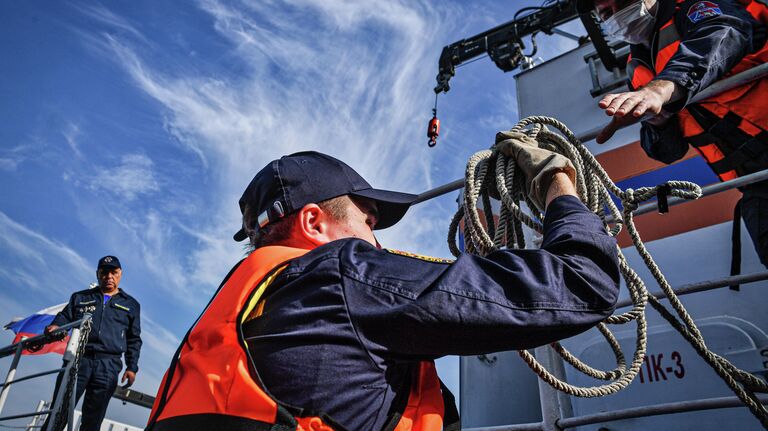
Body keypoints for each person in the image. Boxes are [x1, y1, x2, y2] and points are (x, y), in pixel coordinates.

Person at [146, 149, 620, 431]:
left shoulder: (241, 305)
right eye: (368, 222)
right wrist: (557, 182)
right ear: (314, 222)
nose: (377, 240)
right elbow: (582, 283)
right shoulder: (342, 274)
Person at [593, 0, 768, 265]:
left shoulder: (695, 7)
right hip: (755, 186)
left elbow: (723, 33)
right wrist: (658, 123)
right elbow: (669, 152)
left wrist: (663, 88)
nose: (617, 15)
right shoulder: (637, 67)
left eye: (622, 2)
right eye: (606, 13)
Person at [44, 256, 142, 431]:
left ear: (120, 274)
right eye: (104, 272)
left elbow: (134, 339)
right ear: (98, 274)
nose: (109, 276)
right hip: (78, 360)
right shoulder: (80, 297)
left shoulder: (131, 304)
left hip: (108, 365)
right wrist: (55, 327)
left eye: (114, 272)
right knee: (59, 412)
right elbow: (64, 317)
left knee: (93, 420)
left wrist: (131, 367)